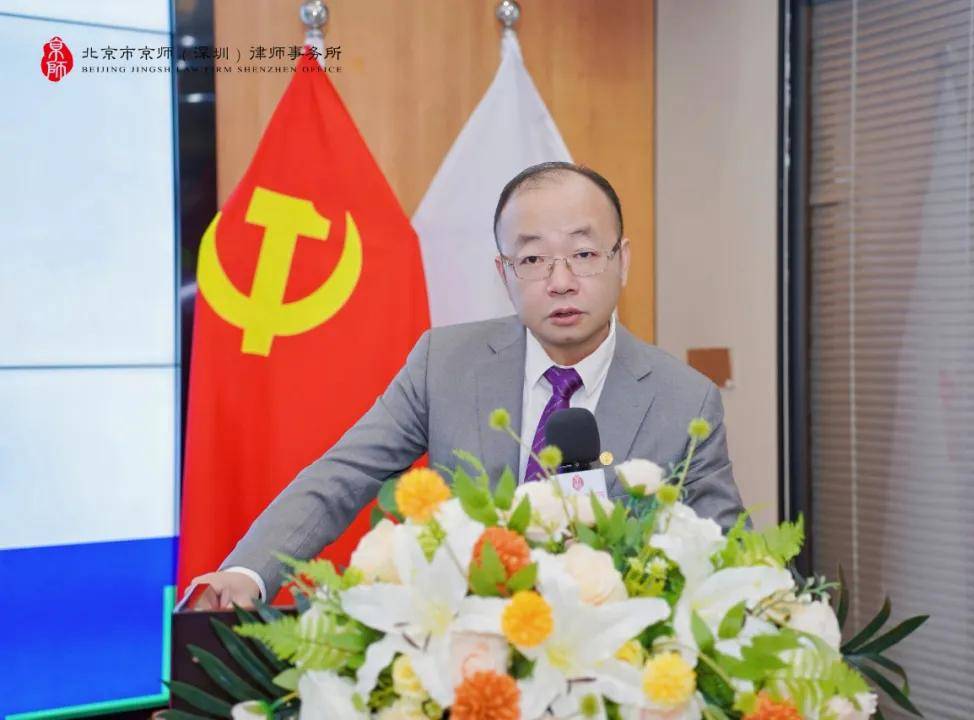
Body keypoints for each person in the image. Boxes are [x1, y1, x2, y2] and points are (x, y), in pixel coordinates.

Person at [187, 162, 746, 609]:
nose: (560, 281)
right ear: (504, 273)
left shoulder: (684, 401)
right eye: (533, 258)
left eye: (583, 254)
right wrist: (246, 573)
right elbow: (343, 474)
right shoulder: (445, 364)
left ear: (622, 261)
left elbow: (730, 559)